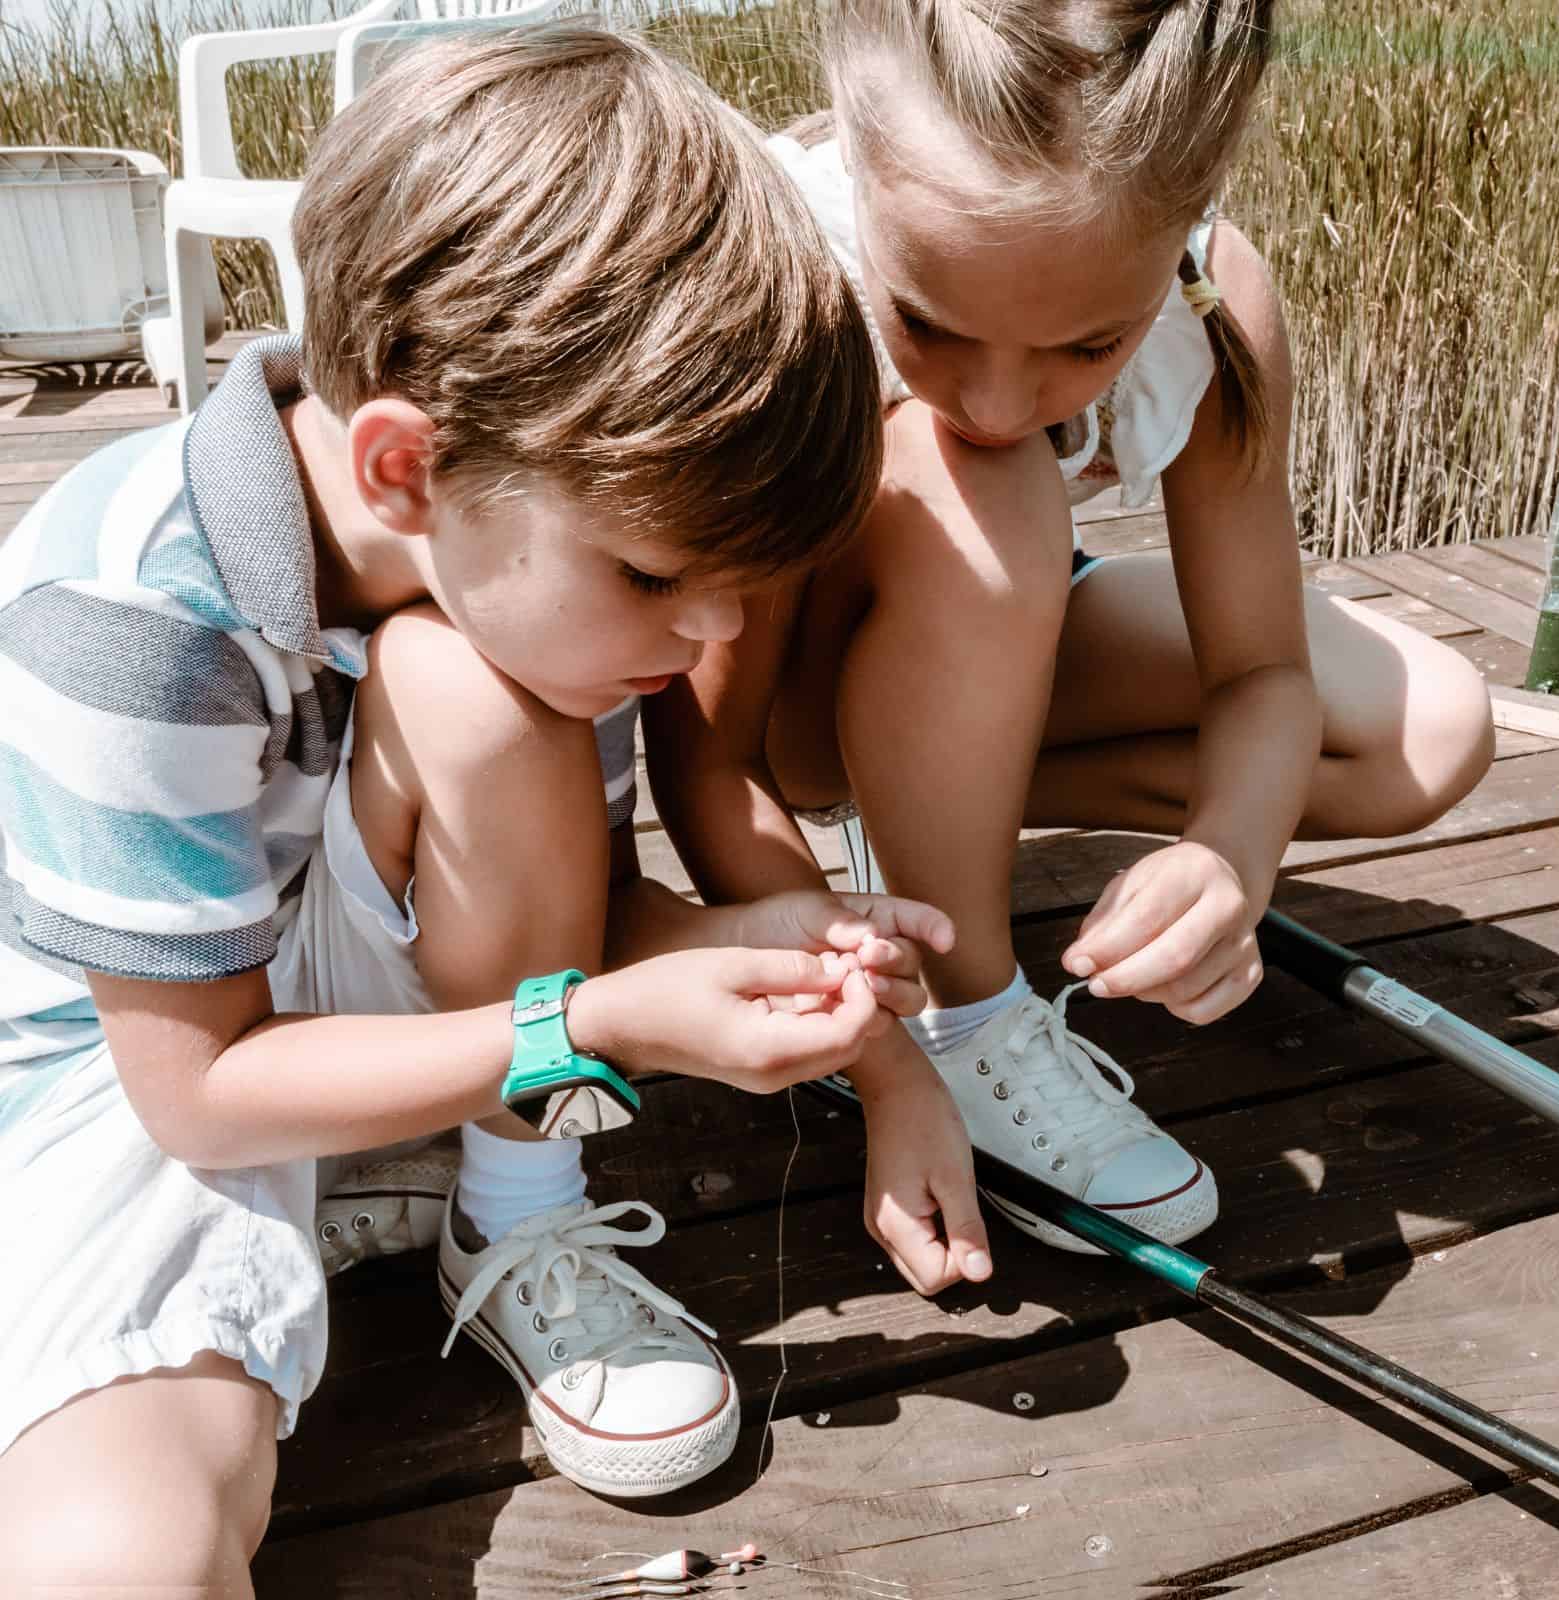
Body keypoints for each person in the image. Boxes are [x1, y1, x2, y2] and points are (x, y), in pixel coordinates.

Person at [0, 27, 955, 1591]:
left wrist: (736, 938)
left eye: (738, 586)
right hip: (123, 1066)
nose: (714, 636)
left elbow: (554, 903)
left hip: (304, 1005)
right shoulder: (127, 617)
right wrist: (603, 1025)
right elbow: (195, 1093)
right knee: (129, 1551)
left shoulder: (524, 574)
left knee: (460, 686)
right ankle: (420, 1170)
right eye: (661, 577)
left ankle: (506, 1203)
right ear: (402, 468)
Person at [648, 0, 1495, 1290]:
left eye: (1087, 346)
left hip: (996, 622)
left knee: (1430, 731)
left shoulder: (1217, 299)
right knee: (980, 478)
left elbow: (1261, 671)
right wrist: (867, 1029)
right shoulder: (771, 269)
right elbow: (712, 762)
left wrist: (1231, 855)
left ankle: (940, 810)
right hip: (794, 694)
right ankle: (972, 1010)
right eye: (927, 324)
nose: (995, 399)